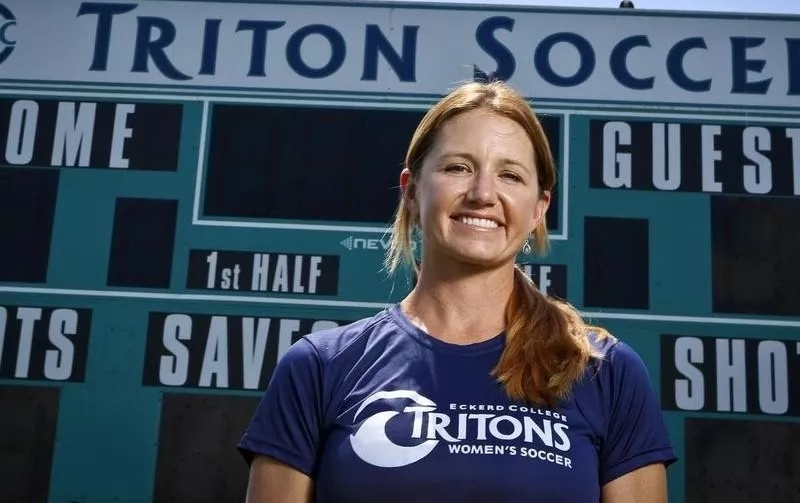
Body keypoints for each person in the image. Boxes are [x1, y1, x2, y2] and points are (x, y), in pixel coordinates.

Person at [237, 80, 677, 502]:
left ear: (538, 209)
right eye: (458, 168)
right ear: (411, 191)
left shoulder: (605, 371)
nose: (483, 193)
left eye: (510, 175)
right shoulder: (318, 367)